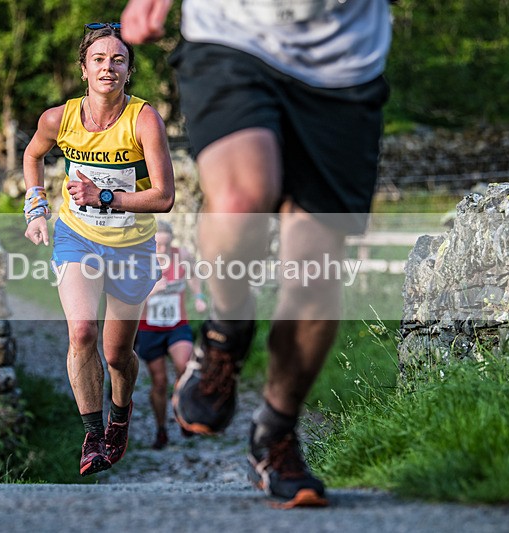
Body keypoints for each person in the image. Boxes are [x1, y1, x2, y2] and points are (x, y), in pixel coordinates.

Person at [121, 0, 393, 506]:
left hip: (342, 60)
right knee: (244, 194)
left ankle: (276, 432)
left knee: (315, 271)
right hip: (233, 33)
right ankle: (226, 333)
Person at [22, 22, 175, 477]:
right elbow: (33, 156)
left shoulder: (143, 119)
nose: (109, 67)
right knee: (82, 332)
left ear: (128, 71)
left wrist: (104, 197)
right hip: (77, 237)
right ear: (84, 69)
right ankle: (93, 434)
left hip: (132, 246)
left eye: (119, 60)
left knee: (116, 355)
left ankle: (121, 416)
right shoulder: (59, 119)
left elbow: (164, 198)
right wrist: (36, 207)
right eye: (99, 60)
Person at [135, 220, 207, 449]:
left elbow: (194, 274)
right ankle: (161, 429)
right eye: (159, 245)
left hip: (177, 325)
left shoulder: (181, 254)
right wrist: (151, 290)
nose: (163, 250)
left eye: (167, 245)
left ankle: (183, 417)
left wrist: (198, 297)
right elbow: (129, 298)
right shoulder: (141, 259)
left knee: (184, 368)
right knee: (159, 382)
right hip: (149, 328)